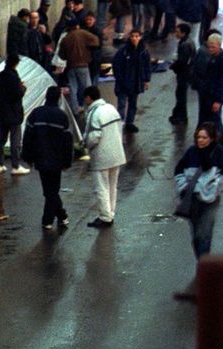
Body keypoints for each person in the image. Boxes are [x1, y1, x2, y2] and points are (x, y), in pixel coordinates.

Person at [174, 121, 223, 259]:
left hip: (210, 201)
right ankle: (202, 261)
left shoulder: (219, 153)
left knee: (205, 234)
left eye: (204, 137)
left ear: (211, 138)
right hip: (192, 200)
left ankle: (203, 265)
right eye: (198, 137)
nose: (200, 140)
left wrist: (215, 189)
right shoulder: (191, 152)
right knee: (196, 235)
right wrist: (184, 187)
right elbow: (179, 171)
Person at [23, 86, 75, 230]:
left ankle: (59, 216)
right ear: (58, 98)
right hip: (57, 160)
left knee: (48, 190)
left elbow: (28, 136)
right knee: (52, 190)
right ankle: (49, 219)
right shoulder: (62, 116)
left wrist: (27, 156)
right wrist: (67, 160)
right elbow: (68, 141)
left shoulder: (36, 114)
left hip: (40, 158)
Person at [82, 86, 126, 228]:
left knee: (101, 187)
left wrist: (85, 144)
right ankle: (110, 213)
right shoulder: (111, 108)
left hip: (102, 156)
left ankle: (105, 217)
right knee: (113, 186)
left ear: (89, 98)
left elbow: (94, 136)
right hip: (117, 153)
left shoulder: (94, 113)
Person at [0, 54, 30, 175]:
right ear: (16, 64)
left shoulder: (0, 76)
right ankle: (15, 165)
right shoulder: (14, 77)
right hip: (14, 113)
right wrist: (23, 87)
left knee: (2, 138)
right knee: (15, 139)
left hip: (2, 112)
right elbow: (18, 93)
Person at [195, 33, 223, 140]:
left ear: (219, 45)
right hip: (207, 95)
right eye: (209, 46)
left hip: (214, 97)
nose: (210, 49)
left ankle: (219, 142)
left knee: (215, 121)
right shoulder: (213, 58)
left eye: (213, 47)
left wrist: (219, 100)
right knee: (207, 119)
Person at [112, 29, 151, 133]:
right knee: (122, 105)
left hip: (136, 83)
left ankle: (130, 123)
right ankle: (119, 124)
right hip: (124, 83)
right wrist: (120, 79)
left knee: (133, 104)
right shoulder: (123, 51)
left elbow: (147, 66)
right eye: (132, 36)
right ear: (129, 37)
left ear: (140, 37)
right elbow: (116, 65)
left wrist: (146, 80)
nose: (134, 38)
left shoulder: (144, 51)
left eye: (137, 36)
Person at [59, 21, 100, 112]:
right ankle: (89, 109)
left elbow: (61, 55)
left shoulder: (65, 38)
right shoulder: (82, 33)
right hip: (83, 65)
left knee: (73, 88)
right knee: (87, 88)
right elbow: (96, 41)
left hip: (71, 66)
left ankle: (75, 109)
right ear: (77, 26)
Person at [169, 23, 196, 124]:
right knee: (180, 94)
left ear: (183, 33)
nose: (176, 34)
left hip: (184, 73)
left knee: (181, 95)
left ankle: (181, 117)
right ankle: (177, 114)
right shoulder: (187, 42)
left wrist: (173, 66)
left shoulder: (185, 44)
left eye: (177, 32)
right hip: (186, 72)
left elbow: (182, 61)